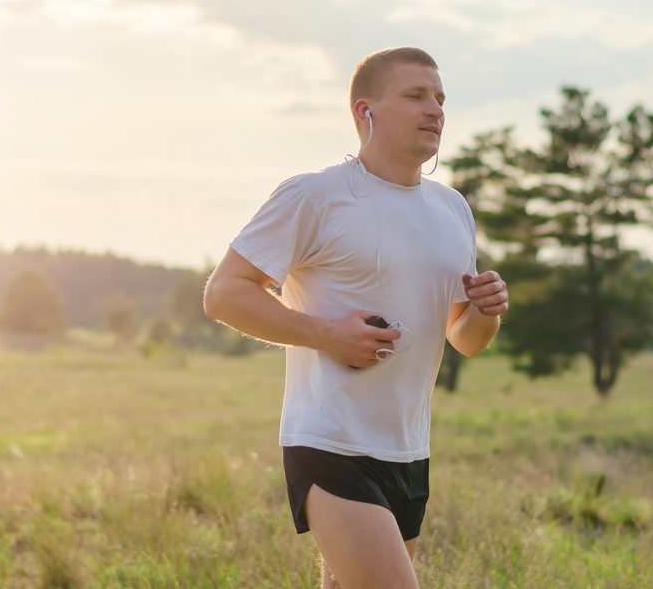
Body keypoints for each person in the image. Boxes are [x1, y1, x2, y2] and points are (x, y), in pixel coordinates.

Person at [203, 46, 509, 589]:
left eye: (440, 98)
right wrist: (328, 336)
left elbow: (464, 339)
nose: (435, 109)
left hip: (408, 450)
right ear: (364, 112)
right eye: (415, 96)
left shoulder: (453, 210)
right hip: (332, 443)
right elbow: (224, 293)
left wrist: (485, 313)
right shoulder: (313, 196)